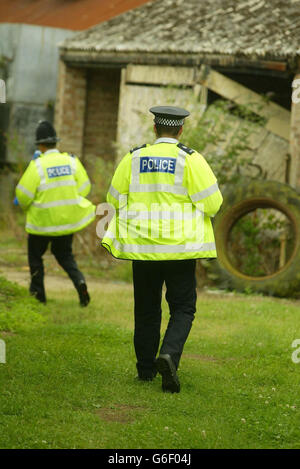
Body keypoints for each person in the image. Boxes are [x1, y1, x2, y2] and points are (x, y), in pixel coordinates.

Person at [101, 106, 223, 393]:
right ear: (180, 130)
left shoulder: (133, 158)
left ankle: (145, 370)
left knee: (146, 308)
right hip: (180, 250)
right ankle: (169, 355)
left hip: (143, 249)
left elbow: (113, 199)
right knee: (182, 307)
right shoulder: (190, 160)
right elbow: (213, 204)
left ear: (155, 129)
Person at [15, 120, 96, 306]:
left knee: (35, 258)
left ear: (40, 145)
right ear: (55, 143)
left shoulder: (37, 165)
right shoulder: (72, 161)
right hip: (66, 222)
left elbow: (23, 195)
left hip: (41, 225)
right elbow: (85, 188)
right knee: (65, 256)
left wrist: (27, 206)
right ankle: (80, 282)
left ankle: (38, 297)